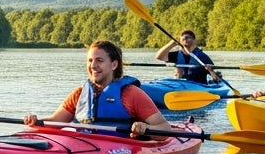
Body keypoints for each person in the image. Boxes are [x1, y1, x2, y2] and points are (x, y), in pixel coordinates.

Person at [23, 39, 171, 138]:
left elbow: (165, 129)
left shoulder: (131, 94)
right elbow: (56, 121)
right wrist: (36, 121)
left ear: (114, 65)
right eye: (90, 60)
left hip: (121, 150)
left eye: (99, 61)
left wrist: (145, 128)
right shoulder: (80, 93)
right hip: (85, 147)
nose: (93, 66)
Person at [154, 29, 222, 84]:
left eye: (188, 37)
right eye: (183, 38)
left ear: (194, 41)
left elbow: (217, 79)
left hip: (198, 86)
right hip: (180, 85)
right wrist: (171, 44)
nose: (185, 39)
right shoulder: (177, 55)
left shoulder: (202, 57)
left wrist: (211, 71)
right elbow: (159, 56)